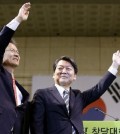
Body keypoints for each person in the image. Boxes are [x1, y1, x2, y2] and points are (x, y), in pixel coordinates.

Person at [30, 51, 120, 134]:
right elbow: (36, 124)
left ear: (74, 76)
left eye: (68, 69)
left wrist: (115, 65)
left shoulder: (78, 96)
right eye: (60, 68)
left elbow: (98, 89)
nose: (64, 71)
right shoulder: (42, 94)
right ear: (54, 74)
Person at [0, 2, 31, 134]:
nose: (16, 53)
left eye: (17, 52)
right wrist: (18, 19)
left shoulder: (20, 90)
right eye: (11, 50)